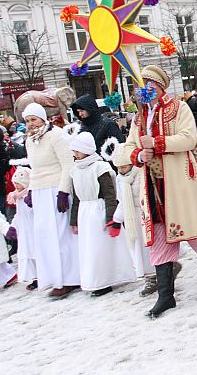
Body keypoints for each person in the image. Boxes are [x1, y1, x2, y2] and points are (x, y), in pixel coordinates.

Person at [123, 65, 197, 319]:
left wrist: (157, 144)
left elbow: (188, 139)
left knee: (195, 229)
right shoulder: (139, 116)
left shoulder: (177, 108)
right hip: (153, 184)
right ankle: (166, 295)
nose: (146, 89)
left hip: (180, 181)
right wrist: (138, 154)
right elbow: (126, 148)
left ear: (160, 86)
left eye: (150, 83)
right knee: (159, 235)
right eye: (142, 84)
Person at [23, 102, 81, 299]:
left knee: (61, 235)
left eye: (34, 119)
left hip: (56, 189)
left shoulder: (56, 135)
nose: (31, 124)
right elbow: (35, 168)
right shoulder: (30, 140)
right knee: (45, 236)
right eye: (27, 120)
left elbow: (67, 164)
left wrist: (63, 191)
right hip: (40, 190)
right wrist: (31, 190)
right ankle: (53, 277)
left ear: (42, 118)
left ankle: (70, 278)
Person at [69, 132, 133, 297]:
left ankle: (106, 279)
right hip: (85, 212)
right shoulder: (75, 169)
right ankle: (95, 280)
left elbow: (109, 194)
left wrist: (111, 218)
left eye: (78, 150)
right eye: (74, 151)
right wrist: (74, 219)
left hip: (98, 211)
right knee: (89, 249)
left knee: (101, 248)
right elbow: (76, 196)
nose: (75, 154)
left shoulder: (100, 167)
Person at [110, 145, 158, 297]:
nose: (122, 170)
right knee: (140, 250)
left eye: (124, 167)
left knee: (152, 246)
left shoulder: (140, 173)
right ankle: (150, 278)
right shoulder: (120, 180)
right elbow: (122, 201)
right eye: (119, 168)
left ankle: (162, 273)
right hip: (133, 219)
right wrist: (117, 219)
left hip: (146, 214)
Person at [7, 166, 37, 290]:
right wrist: (13, 227)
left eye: (19, 183)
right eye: (15, 184)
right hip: (24, 232)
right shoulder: (17, 197)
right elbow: (18, 215)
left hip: (33, 230)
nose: (16, 186)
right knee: (29, 254)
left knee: (36, 253)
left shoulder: (30, 195)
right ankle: (35, 277)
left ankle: (42, 275)